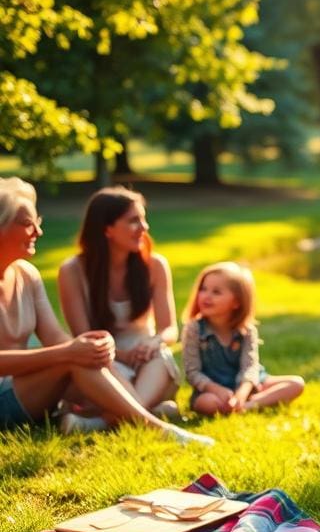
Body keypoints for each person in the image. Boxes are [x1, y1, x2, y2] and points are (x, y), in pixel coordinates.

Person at [0, 177, 212, 445]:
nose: (38, 232)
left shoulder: (27, 275)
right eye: (27, 224)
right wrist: (68, 352)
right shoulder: (73, 270)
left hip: (24, 388)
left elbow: (55, 336)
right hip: (7, 396)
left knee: (81, 357)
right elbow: (60, 350)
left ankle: (116, 418)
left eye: (38, 222)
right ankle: (157, 425)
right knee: (73, 358)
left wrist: (88, 348)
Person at [58, 187, 181, 421]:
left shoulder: (155, 265)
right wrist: (121, 356)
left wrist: (154, 342)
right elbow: (83, 336)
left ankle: (106, 420)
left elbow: (170, 329)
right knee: (95, 365)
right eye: (134, 221)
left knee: (161, 357)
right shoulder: (72, 271)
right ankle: (152, 415)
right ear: (107, 229)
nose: (144, 228)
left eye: (143, 219)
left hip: (146, 360)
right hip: (104, 358)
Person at [181, 261, 304, 415]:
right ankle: (246, 404)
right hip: (211, 389)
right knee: (209, 404)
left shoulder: (246, 331)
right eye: (203, 289)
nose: (206, 296)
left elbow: (250, 367)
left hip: (248, 385)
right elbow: (192, 372)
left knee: (296, 384)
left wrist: (242, 392)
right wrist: (216, 389)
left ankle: (247, 405)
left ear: (237, 302)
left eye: (216, 292)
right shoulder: (194, 329)